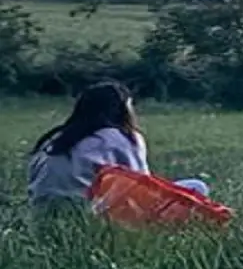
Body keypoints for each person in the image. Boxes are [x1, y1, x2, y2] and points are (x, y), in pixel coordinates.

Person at [28, 81, 210, 212]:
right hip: (91, 214)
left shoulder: (54, 138)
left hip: (42, 215)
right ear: (123, 109)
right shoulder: (121, 138)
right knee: (196, 187)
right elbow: (144, 185)